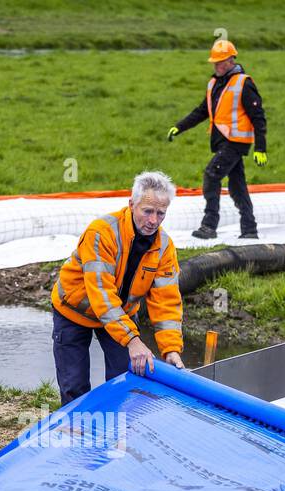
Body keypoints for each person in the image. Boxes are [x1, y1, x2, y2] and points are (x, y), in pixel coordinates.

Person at [51, 170, 186, 405]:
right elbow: (102, 296)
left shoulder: (164, 246)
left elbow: (167, 301)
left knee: (126, 379)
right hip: (74, 311)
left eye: (161, 213)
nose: (154, 220)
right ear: (132, 204)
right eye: (148, 211)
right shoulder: (101, 233)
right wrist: (133, 340)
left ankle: (115, 434)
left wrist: (171, 349)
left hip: (120, 314)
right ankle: (77, 435)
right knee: (75, 387)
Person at [168, 39, 268, 240]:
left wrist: (260, 148)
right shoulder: (214, 83)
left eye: (221, 61)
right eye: (215, 62)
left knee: (212, 175)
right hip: (221, 141)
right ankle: (249, 230)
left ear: (232, 60)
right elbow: (202, 111)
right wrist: (179, 126)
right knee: (237, 186)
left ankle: (209, 225)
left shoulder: (244, 83)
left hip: (235, 142)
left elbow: (258, 117)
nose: (217, 65)